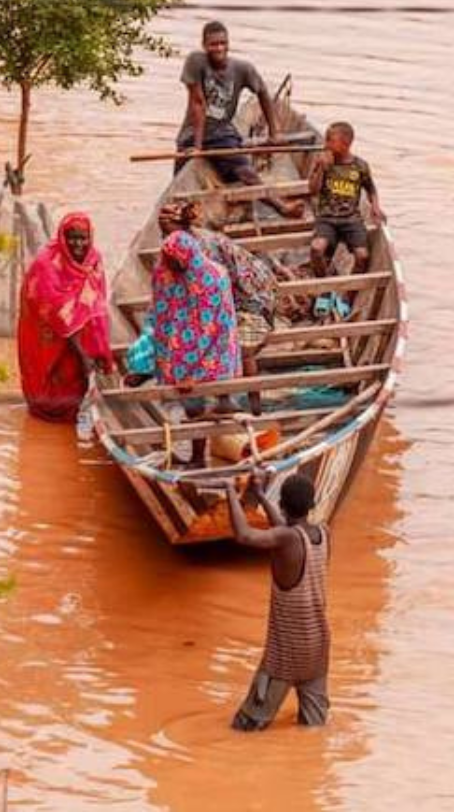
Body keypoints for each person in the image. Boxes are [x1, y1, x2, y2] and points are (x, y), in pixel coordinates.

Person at [213, 472, 331, 731]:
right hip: (318, 650)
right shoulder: (323, 533)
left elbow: (244, 535)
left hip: (286, 654)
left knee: (244, 730)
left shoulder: (286, 539)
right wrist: (262, 496)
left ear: (283, 505)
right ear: (312, 505)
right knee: (313, 731)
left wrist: (229, 491)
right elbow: (286, 530)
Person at [158, 201, 281, 415]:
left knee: (240, 346)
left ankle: (252, 408)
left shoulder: (205, 255)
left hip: (248, 301)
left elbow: (214, 317)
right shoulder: (176, 249)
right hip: (218, 302)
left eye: (168, 233)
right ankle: (205, 409)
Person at [175, 20, 303, 219]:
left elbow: (263, 93)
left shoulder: (242, 69)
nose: (218, 48)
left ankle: (281, 207)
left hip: (221, 133)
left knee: (246, 172)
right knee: (178, 189)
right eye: (213, 44)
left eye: (222, 43)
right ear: (204, 46)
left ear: (228, 44)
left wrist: (274, 132)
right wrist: (198, 147)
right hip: (192, 134)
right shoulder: (196, 62)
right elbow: (198, 103)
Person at [150, 228, 241, 467]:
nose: (164, 266)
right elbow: (161, 314)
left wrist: (193, 375)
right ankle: (199, 450)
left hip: (212, 348)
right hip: (184, 343)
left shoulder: (212, 278)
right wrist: (162, 357)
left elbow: (218, 331)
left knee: (194, 399)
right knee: (188, 398)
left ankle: (199, 457)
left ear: (184, 259)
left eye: (170, 262)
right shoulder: (166, 273)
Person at [17, 212, 112, 422]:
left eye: (83, 238)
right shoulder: (46, 265)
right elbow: (58, 315)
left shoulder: (93, 260)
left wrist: (97, 350)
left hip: (81, 339)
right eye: (72, 237)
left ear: (90, 238)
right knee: (49, 391)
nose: (78, 244)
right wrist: (84, 355)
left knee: (74, 387)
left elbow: (96, 307)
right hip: (49, 338)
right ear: (62, 237)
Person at [307, 121, 384, 279]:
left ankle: (347, 296)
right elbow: (313, 191)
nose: (326, 144)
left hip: (351, 220)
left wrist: (375, 207)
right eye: (326, 139)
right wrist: (321, 168)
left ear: (345, 144)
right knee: (316, 249)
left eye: (330, 140)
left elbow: (371, 189)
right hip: (326, 218)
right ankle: (325, 287)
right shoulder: (323, 162)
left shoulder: (360, 166)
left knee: (362, 256)